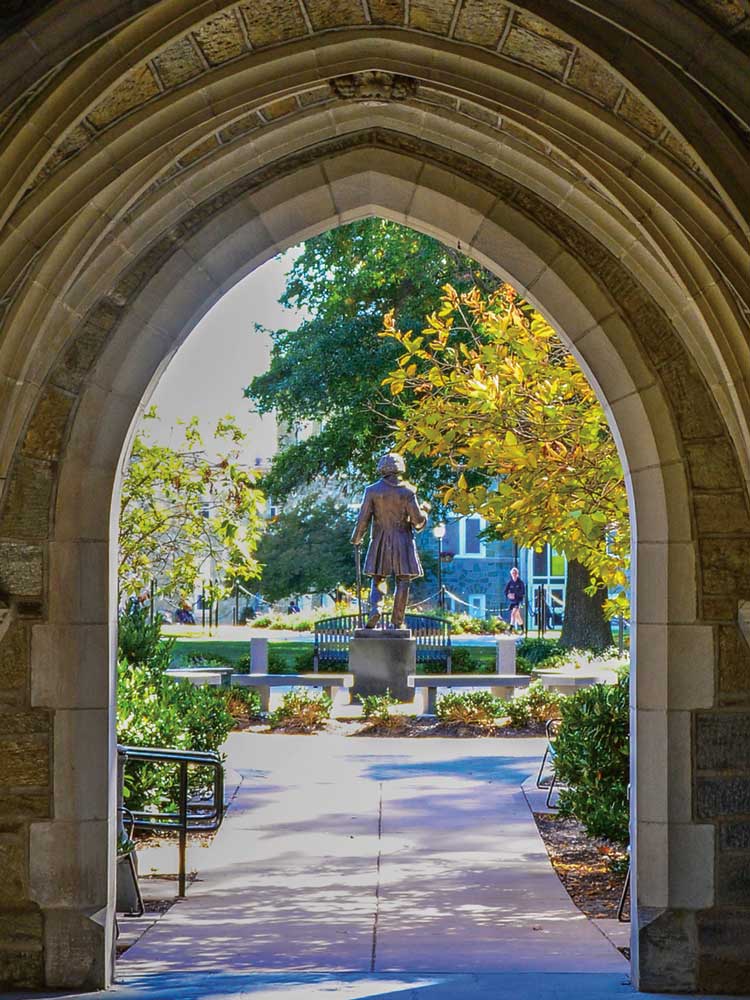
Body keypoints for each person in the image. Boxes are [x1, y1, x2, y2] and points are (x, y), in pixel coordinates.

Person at [351, 452, 430, 629]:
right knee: (403, 580)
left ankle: (375, 609)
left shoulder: (372, 491)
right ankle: (397, 621)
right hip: (403, 540)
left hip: (380, 539)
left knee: (378, 577)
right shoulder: (408, 491)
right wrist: (425, 513)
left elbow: (363, 518)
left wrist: (356, 538)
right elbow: (418, 522)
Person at [504, 566, 526, 632]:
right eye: (513, 573)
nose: (514, 574)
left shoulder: (520, 583)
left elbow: (522, 592)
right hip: (512, 602)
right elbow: (505, 591)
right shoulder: (510, 583)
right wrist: (508, 595)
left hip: (518, 601)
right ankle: (522, 629)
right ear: (511, 574)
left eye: (515, 573)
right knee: (517, 616)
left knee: (513, 614)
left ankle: (510, 629)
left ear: (517, 574)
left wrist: (515, 595)